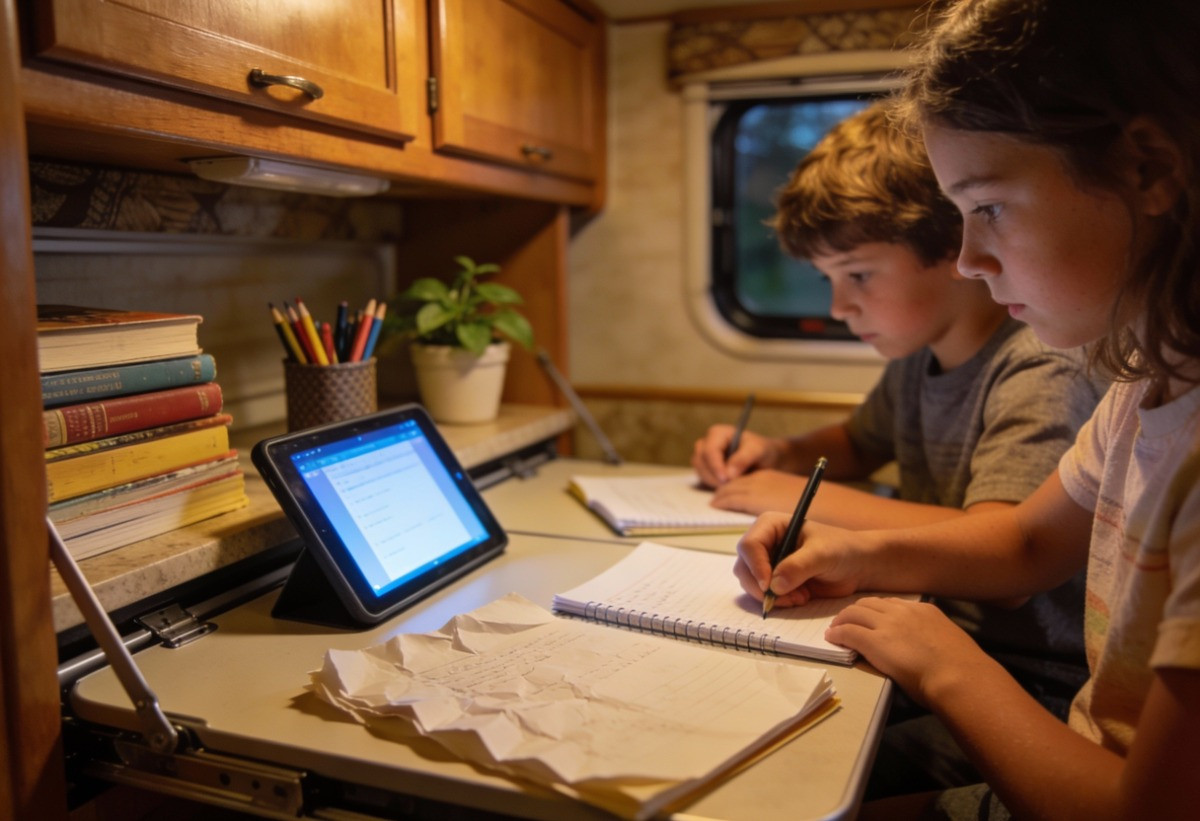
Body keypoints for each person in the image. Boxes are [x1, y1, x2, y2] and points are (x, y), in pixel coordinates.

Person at [734, 0, 1200, 817]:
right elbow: (1024, 543)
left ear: (1148, 170)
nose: (968, 259)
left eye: (987, 208)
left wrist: (942, 662)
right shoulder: (1141, 386)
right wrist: (857, 554)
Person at [693, 100, 1099, 785]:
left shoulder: (1038, 365)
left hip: (1026, 683)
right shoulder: (921, 354)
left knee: (794, 773)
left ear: (951, 248)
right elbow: (858, 441)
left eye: (857, 274)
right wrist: (779, 452)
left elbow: (1005, 552)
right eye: (827, 280)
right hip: (935, 635)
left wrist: (798, 499)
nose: (838, 307)